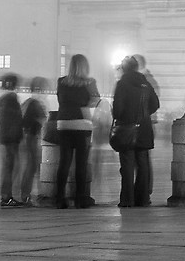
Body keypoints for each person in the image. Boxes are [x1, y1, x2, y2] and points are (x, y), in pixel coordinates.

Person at [110, 55, 160, 208]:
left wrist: (121, 116)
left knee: (127, 165)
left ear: (124, 68)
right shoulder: (145, 82)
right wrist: (144, 115)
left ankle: (127, 200)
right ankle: (142, 199)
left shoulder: (122, 83)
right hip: (144, 128)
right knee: (143, 165)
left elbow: (118, 109)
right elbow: (155, 104)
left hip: (126, 128)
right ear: (136, 67)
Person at [52, 54, 100, 207]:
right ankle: (80, 198)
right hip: (82, 124)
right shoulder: (90, 82)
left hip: (63, 123)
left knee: (64, 162)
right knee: (81, 163)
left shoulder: (61, 82)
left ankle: (59, 198)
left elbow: (60, 99)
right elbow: (95, 100)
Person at [0, 72, 29, 207]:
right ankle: (6, 196)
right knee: (11, 168)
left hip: (5, 137)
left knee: (9, 167)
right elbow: (16, 120)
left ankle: (6, 195)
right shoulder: (11, 100)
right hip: (12, 138)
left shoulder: (1, 101)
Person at [19, 76, 48, 203]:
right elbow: (41, 120)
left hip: (27, 137)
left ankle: (28, 193)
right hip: (31, 137)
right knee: (32, 166)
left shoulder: (27, 102)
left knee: (32, 166)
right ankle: (27, 194)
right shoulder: (35, 103)